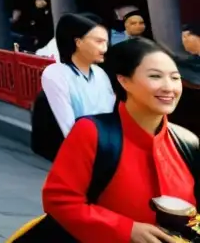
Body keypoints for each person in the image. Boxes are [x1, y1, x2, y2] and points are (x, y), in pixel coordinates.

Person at [39, 38, 197, 242]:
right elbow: (59, 200)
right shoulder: (93, 132)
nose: (169, 87)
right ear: (124, 80)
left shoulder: (187, 142)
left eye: (175, 78)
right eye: (155, 76)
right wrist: (127, 229)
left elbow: (196, 216)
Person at [40, 13, 115, 138]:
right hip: (81, 143)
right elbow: (67, 125)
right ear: (78, 42)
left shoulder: (100, 73)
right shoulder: (56, 74)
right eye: (99, 42)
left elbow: (109, 111)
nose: (105, 49)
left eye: (106, 43)